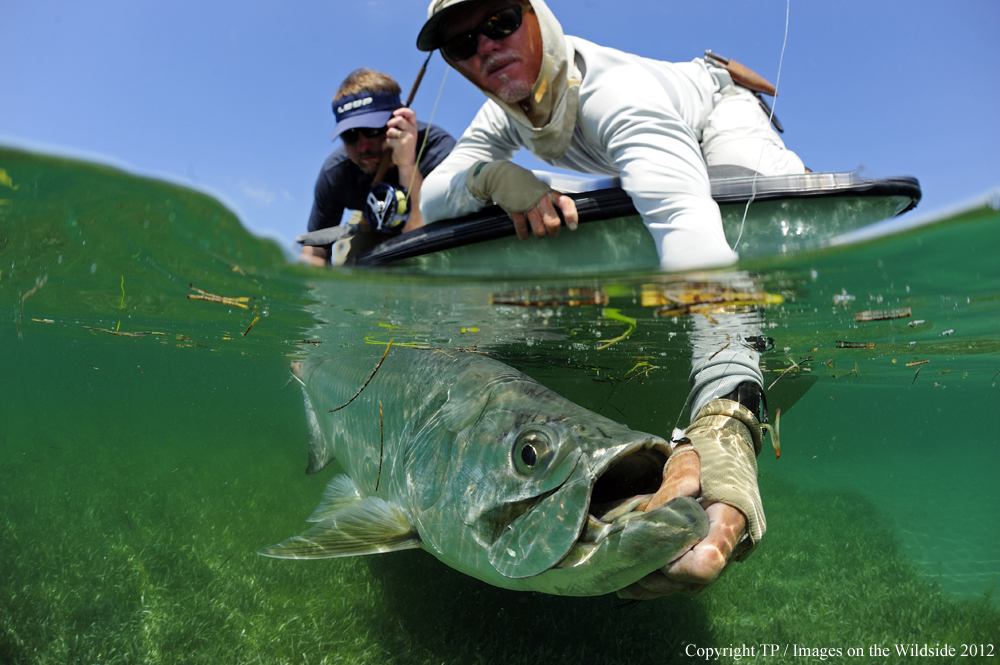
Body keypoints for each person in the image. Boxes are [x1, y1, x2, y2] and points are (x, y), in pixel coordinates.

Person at [416, 0, 792, 598]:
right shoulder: (501, 114)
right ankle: (707, 74)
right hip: (647, 126)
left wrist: (727, 416)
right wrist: (492, 178)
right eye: (461, 44)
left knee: (760, 201)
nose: (484, 47)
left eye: (500, 21)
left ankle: (719, 77)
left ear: (536, 13)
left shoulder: (619, 98)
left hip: (713, 111)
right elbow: (433, 195)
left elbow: (693, 240)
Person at [301, 68, 457, 266]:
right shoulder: (336, 171)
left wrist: (406, 165)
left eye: (372, 130)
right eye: (350, 135)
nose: (362, 147)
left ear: (400, 119)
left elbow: (426, 246)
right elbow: (315, 251)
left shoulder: (437, 149)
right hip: (368, 223)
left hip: (431, 224)